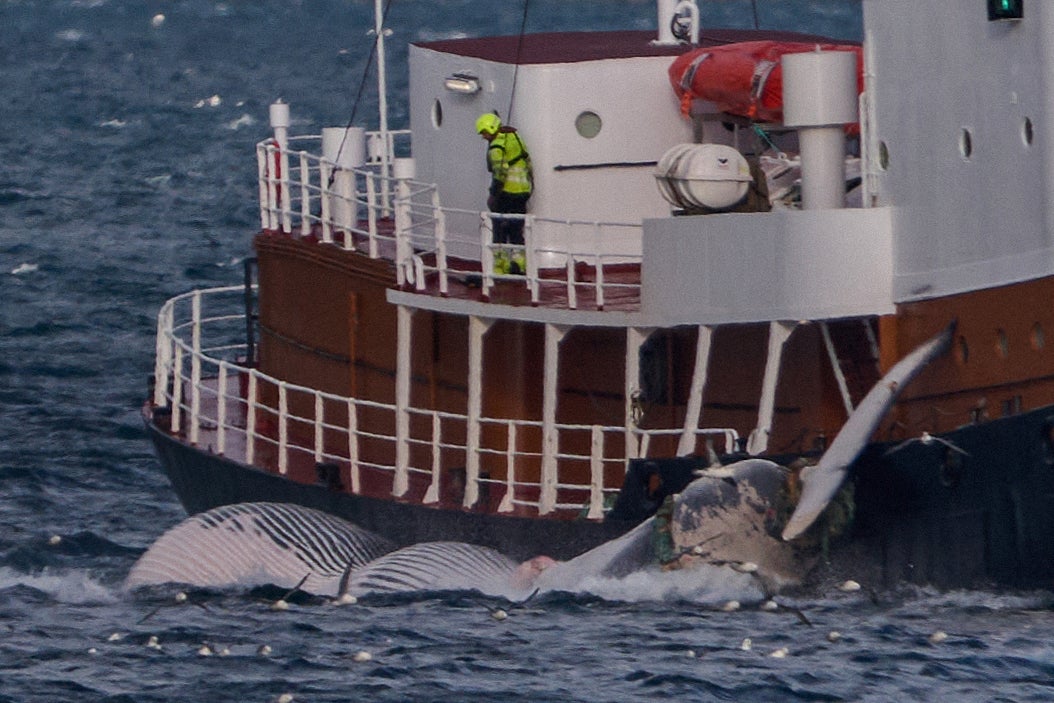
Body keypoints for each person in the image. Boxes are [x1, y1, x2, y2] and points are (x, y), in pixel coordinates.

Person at [476, 113, 532, 274]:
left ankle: (500, 267)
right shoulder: (514, 136)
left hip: (507, 192)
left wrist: (493, 195)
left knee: (499, 230)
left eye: (484, 133)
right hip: (523, 191)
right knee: (516, 230)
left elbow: (500, 173)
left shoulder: (496, 147)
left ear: (491, 129)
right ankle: (520, 265)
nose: (483, 137)